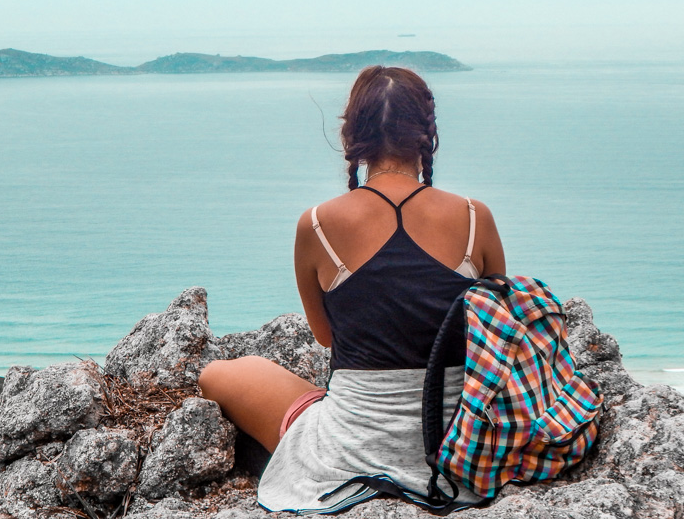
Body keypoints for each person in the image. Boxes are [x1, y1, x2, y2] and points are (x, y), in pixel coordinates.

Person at [199, 66, 506, 512]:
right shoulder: (476, 217)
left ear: (353, 135)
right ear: (427, 135)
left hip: (351, 449)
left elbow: (327, 337)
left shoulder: (318, 224)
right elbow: (493, 336)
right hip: (458, 449)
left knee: (219, 374)